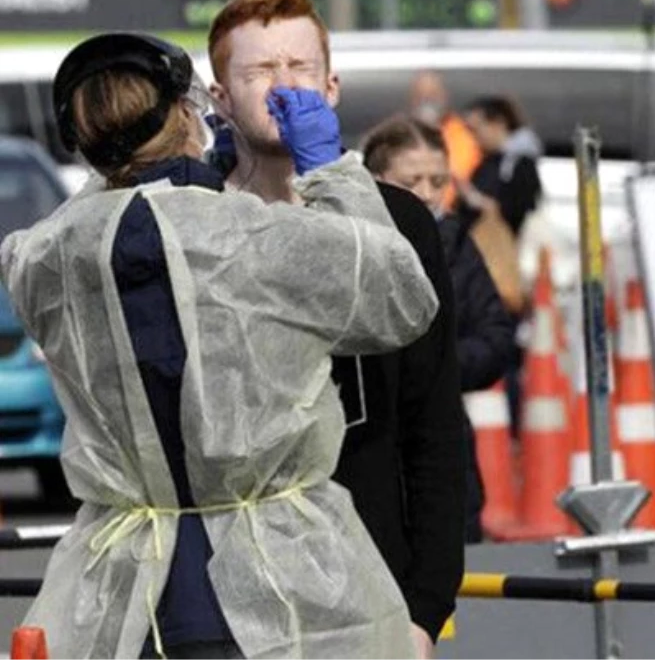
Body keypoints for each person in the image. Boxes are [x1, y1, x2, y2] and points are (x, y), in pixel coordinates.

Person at [6, 32, 437, 659]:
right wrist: (331, 169)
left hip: (126, 596)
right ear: (191, 115)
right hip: (277, 585)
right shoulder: (252, 235)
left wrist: (134, 167)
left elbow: (103, 221)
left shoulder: (42, 259)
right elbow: (400, 298)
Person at [207, 0, 465, 658]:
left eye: (300, 67)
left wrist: (425, 607)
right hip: (228, 588)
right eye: (259, 72)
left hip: (368, 578)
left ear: (332, 86)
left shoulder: (399, 221)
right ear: (219, 98)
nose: (284, 86)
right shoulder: (194, 220)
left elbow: (431, 423)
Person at [362, 115, 518, 543]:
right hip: (367, 453)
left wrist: (436, 368)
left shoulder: (454, 242)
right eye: (412, 181)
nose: (427, 195)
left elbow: (495, 337)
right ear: (375, 180)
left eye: (438, 181)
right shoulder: (351, 246)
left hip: (443, 447)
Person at [460, 95, 544, 237]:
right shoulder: (489, 161)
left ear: (498, 123)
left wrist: (474, 198)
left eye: (476, 129)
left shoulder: (520, 164)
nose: (473, 138)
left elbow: (518, 208)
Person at [409, 70, 481, 207]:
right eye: (421, 95)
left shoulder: (462, 134)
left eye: (432, 94)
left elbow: (458, 175)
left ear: (444, 96)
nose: (427, 100)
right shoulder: (401, 133)